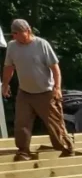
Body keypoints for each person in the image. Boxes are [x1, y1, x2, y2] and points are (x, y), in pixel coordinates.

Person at [1, 18, 74, 160]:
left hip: (45, 92)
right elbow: (9, 67)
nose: (15, 37)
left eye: (18, 33)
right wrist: (5, 85)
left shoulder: (41, 45)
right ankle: (23, 151)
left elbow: (55, 68)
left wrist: (57, 88)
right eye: (13, 34)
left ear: (27, 31)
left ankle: (66, 148)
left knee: (54, 124)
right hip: (25, 92)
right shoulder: (12, 46)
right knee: (21, 123)